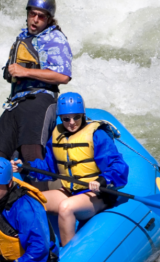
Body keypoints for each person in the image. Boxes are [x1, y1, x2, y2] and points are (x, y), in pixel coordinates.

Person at [21, 92, 129, 246]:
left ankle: (67, 256)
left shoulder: (97, 135)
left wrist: (103, 180)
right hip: (70, 191)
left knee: (66, 207)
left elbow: (118, 166)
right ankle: (39, 249)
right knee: (31, 201)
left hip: (97, 195)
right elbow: (48, 167)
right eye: (66, 119)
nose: (72, 122)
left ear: (82, 115)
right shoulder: (57, 136)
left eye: (76, 117)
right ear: (61, 118)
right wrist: (25, 168)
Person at [0, 0, 73, 167]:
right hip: (16, 102)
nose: (35, 19)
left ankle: (41, 193)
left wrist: (25, 72)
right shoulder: (23, 37)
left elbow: (63, 76)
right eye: (32, 14)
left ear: (48, 19)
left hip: (40, 99)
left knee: (30, 151)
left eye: (40, 16)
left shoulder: (55, 38)